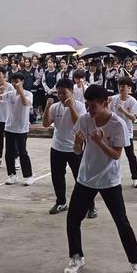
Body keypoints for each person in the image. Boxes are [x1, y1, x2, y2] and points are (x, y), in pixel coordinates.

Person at [64, 84, 137, 273]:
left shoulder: (118, 124)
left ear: (105, 103)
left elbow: (116, 155)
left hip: (109, 179)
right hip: (86, 178)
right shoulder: (84, 120)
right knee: (73, 219)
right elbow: (77, 151)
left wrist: (100, 141)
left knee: (121, 222)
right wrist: (77, 142)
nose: (90, 110)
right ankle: (76, 258)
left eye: (93, 106)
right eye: (87, 105)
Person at [43, 78, 87, 215]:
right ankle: (61, 202)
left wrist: (71, 107)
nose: (61, 96)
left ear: (72, 92)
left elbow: (79, 124)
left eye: (64, 93)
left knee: (80, 178)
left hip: (75, 147)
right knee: (57, 177)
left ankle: (89, 205)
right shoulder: (55, 107)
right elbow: (45, 124)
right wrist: (47, 106)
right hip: (57, 147)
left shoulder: (80, 106)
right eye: (58, 93)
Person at [0, 72, 35, 186]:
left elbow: (25, 103)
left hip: (21, 128)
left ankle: (29, 176)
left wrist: (20, 91)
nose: (15, 83)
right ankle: (12, 175)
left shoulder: (28, 94)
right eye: (13, 81)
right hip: (9, 127)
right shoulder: (9, 94)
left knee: (23, 152)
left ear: (22, 81)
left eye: (17, 81)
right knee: (9, 153)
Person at [110, 76, 137, 188]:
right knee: (113, 156)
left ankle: (136, 178)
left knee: (130, 155)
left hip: (127, 132)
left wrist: (123, 110)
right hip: (114, 132)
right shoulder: (113, 99)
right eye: (119, 86)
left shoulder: (133, 101)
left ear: (129, 88)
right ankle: (114, 176)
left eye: (123, 86)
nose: (121, 88)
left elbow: (133, 118)